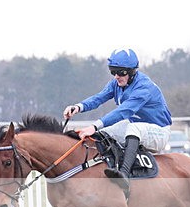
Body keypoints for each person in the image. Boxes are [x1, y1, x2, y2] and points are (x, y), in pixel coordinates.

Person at [63, 48, 173, 190]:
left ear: (132, 72)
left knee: (130, 128)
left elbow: (123, 111)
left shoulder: (144, 88)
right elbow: (99, 98)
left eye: (121, 72)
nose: (116, 76)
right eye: (113, 71)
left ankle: (124, 174)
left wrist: (94, 126)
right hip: (137, 127)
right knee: (104, 133)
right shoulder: (116, 83)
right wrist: (78, 107)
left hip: (159, 132)